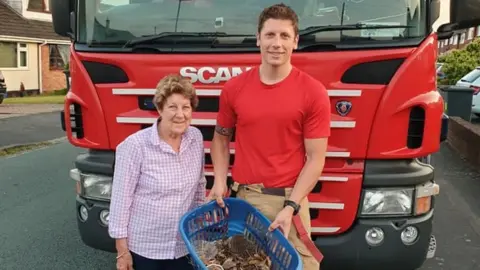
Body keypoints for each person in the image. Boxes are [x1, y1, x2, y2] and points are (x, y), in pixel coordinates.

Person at [208, 3, 330, 270]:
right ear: (258, 39)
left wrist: (290, 208)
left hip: (288, 203)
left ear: (296, 42)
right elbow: (220, 138)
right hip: (245, 201)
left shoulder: (313, 92)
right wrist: (219, 181)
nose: (277, 44)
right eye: (270, 35)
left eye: (285, 36)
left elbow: (315, 159)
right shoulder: (234, 89)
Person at [108, 74, 206, 270]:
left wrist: (199, 232)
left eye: (186, 107)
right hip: (147, 250)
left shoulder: (196, 138)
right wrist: (122, 252)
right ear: (160, 109)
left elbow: (199, 187)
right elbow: (120, 201)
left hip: (184, 245)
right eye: (173, 107)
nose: (180, 114)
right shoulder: (135, 146)